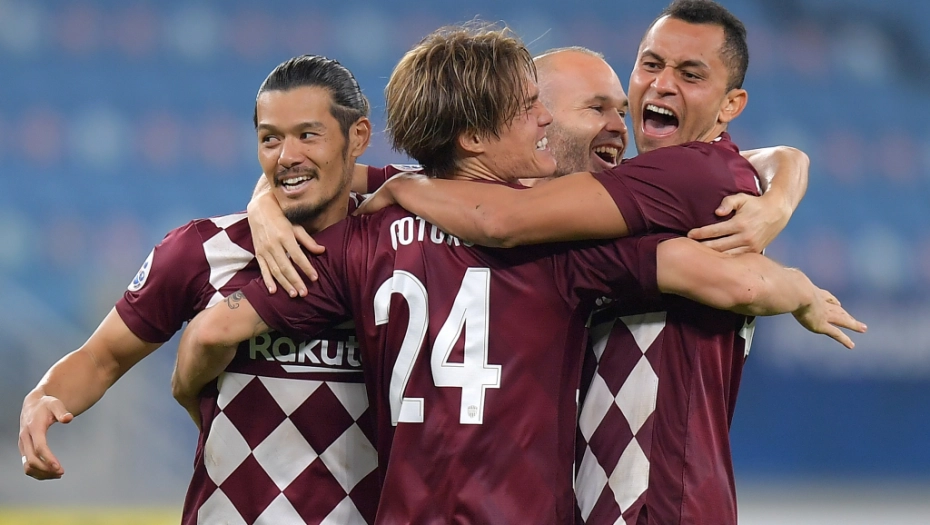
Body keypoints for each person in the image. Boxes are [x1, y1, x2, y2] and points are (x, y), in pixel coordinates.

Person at [171, 24, 863, 525]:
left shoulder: (380, 224)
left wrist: (785, 184)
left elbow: (311, 195)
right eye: (589, 108)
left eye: (618, 107)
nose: (619, 123)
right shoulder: (565, 246)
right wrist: (798, 288)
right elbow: (697, 268)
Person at [347, 1, 806, 522]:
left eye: (690, 74)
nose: (659, 87)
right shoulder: (621, 200)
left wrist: (798, 280)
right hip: (601, 500)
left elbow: (499, 216)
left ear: (730, 105)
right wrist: (287, 199)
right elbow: (468, 193)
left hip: (659, 502)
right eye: (651, 65)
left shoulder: (689, 178)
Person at [18, 55, 382, 525]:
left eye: (308, 135)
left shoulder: (400, 253)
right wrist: (41, 398)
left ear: (358, 137)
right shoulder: (203, 251)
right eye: (270, 138)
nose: (286, 156)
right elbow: (100, 358)